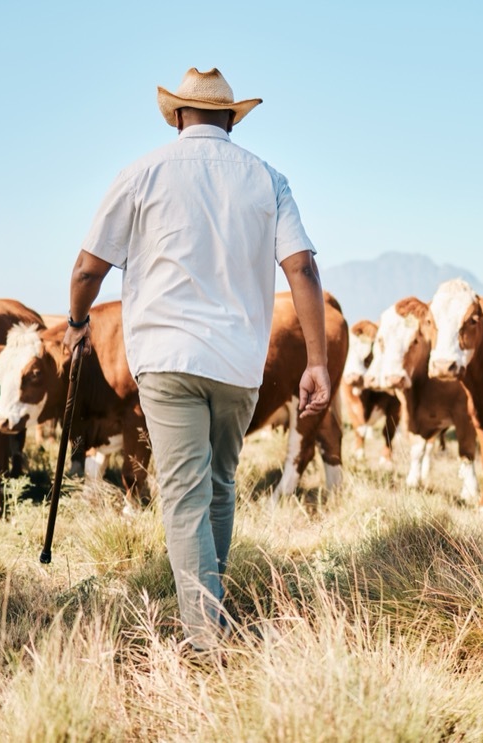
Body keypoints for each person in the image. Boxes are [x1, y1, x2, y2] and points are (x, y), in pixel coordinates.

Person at [63, 67, 331, 652]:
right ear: (231, 119)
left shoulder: (140, 173)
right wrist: (317, 362)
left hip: (165, 357)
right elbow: (303, 269)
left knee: (183, 492)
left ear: (177, 115)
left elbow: (88, 269)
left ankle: (204, 637)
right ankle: (212, 610)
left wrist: (80, 321)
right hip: (240, 362)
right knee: (218, 484)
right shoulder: (268, 177)